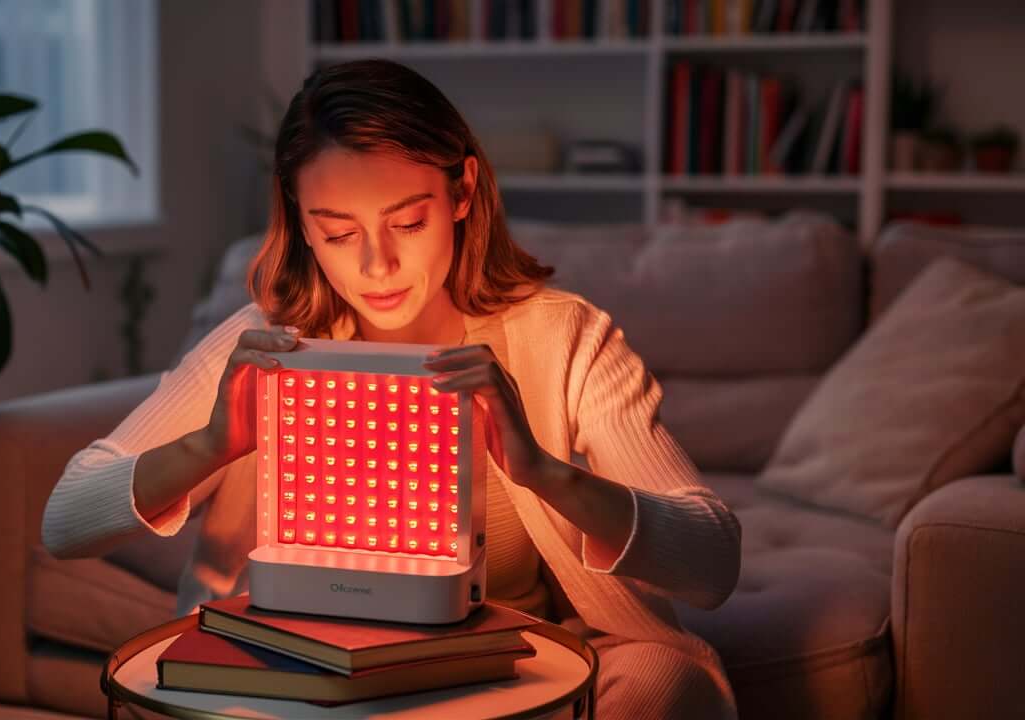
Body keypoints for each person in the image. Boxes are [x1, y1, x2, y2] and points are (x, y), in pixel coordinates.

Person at [42, 59, 741, 719]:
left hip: (516, 670)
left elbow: (712, 561)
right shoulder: (266, 346)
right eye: (338, 232)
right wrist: (210, 445)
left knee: (662, 682)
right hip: (301, 665)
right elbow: (65, 522)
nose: (378, 265)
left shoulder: (562, 339)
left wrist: (545, 473)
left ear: (462, 191)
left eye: (408, 222)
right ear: (301, 221)